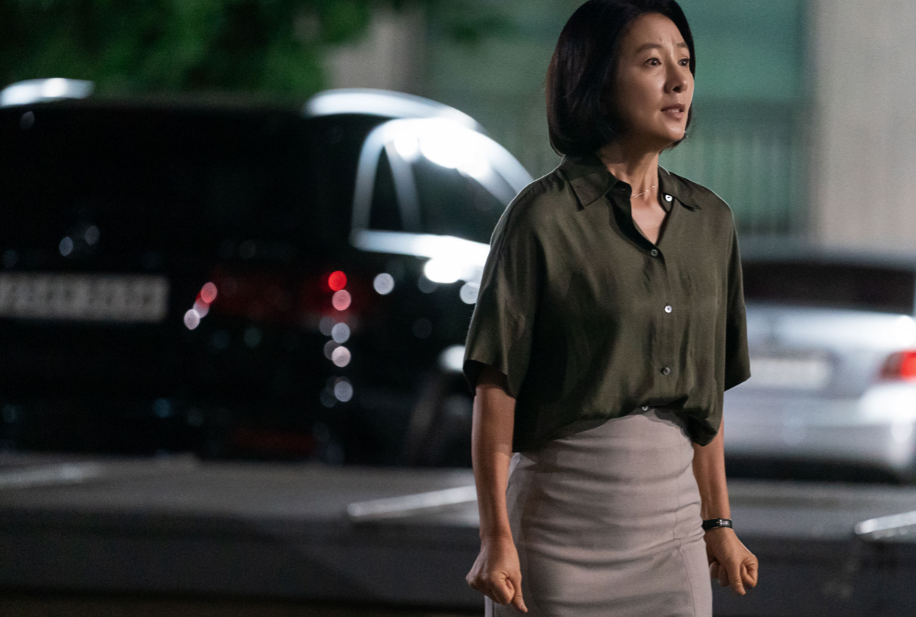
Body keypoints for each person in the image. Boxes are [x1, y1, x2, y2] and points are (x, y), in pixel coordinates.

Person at [461, 1, 759, 615]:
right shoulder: (541, 218)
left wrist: (719, 523)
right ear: (597, 80)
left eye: (685, 62)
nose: (678, 81)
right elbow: (496, 388)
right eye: (652, 62)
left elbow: (706, 403)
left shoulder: (711, 222)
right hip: (556, 541)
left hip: (674, 539)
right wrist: (496, 538)